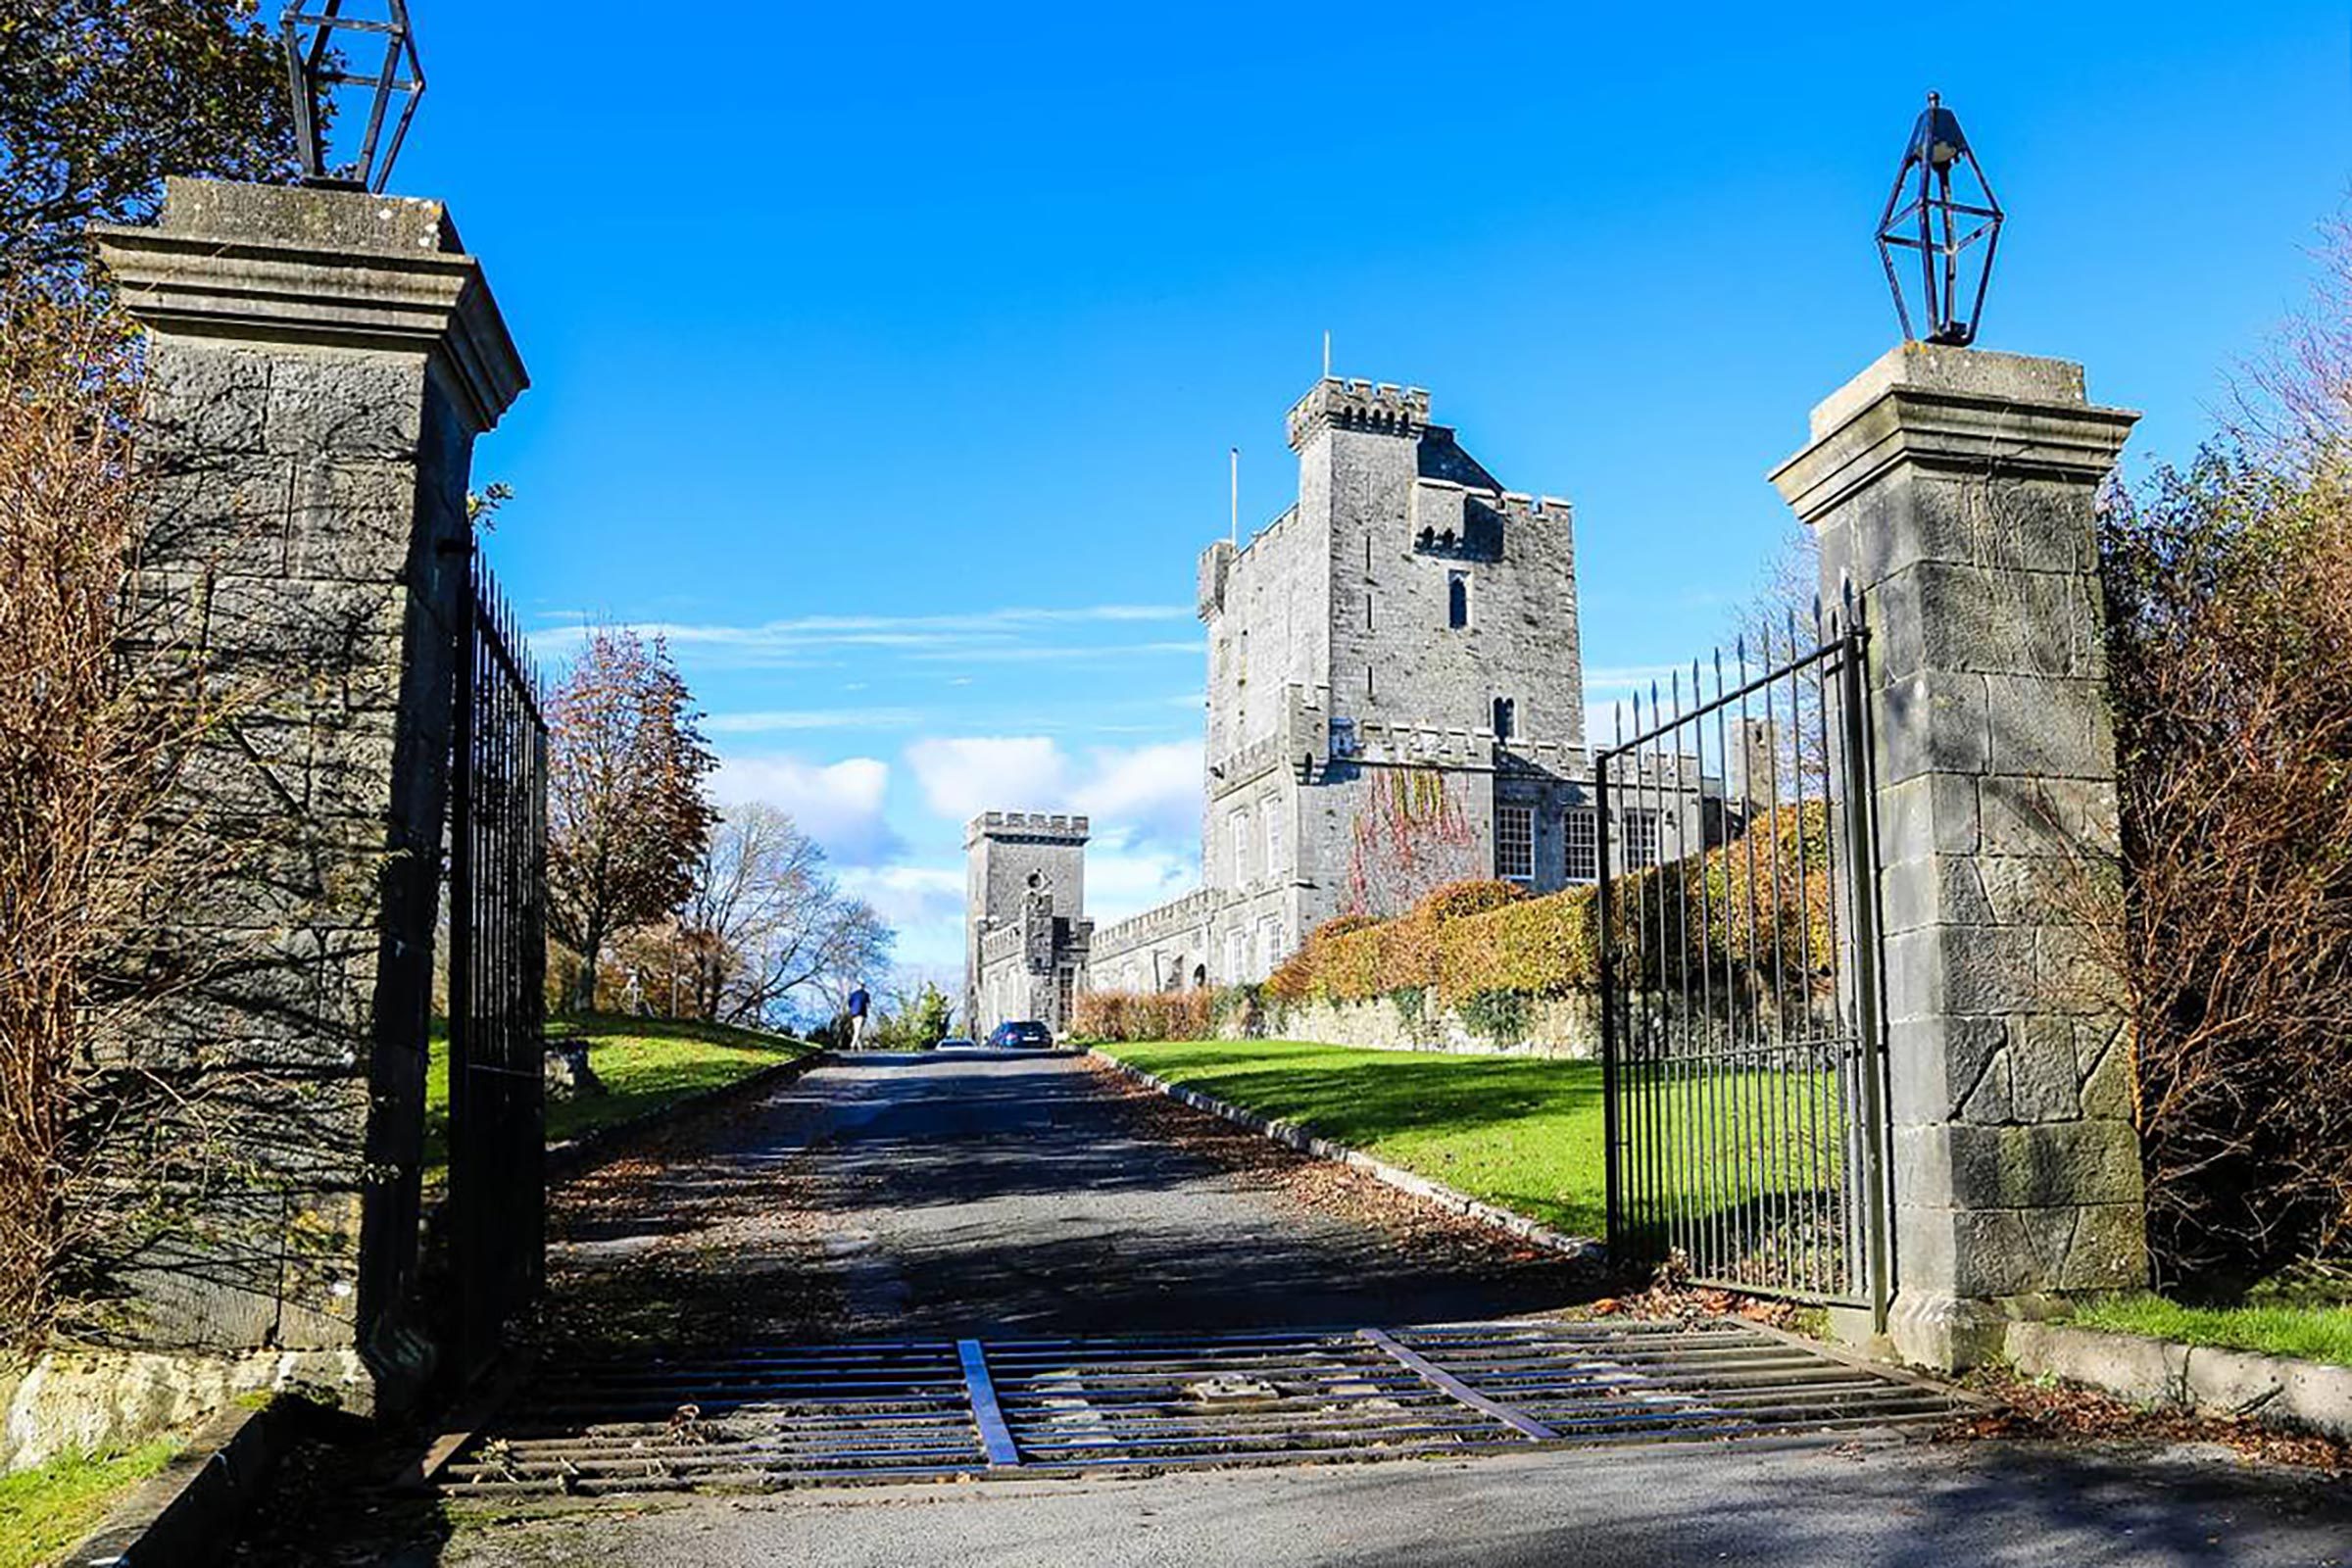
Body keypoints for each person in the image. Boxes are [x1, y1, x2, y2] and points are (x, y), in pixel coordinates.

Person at [846, 981, 871, 1050]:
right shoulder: (866, 994)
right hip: (861, 1014)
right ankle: (852, 1044)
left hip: (853, 1014)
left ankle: (860, 1047)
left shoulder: (853, 994)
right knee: (858, 1030)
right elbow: (868, 1005)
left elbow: (849, 1004)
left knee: (857, 1030)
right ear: (864, 986)